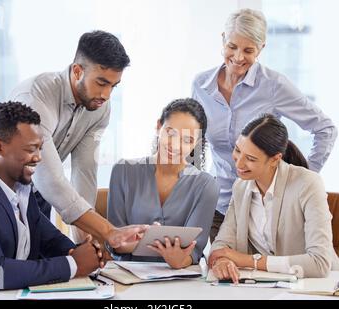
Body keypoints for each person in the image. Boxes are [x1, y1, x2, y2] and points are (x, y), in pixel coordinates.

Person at [0, 30, 146, 246]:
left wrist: (87, 240)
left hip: (37, 194)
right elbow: (49, 177)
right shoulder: (35, 96)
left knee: (45, 265)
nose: (107, 95)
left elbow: (85, 171)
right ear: (77, 71)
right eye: (101, 83)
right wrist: (108, 231)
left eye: (113, 86)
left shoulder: (100, 108)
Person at [191, 8, 338, 244]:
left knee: (265, 275)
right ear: (222, 40)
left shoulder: (274, 86)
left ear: (261, 49)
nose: (239, 57)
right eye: (232, 46)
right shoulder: (201, 84)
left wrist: (302, 179)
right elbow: (194, 143)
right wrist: (193, 188)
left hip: (264, 207)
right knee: (223, 274)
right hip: (218, 205)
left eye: (248, 50)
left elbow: (325, 128)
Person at [0, 102, 103, 299]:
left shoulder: (22, 187)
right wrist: (73, 264)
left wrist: (80, 252)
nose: (38, 158)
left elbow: (48, 239)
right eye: (30, 149)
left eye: (40, 148)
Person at [208, 114, 339, 282]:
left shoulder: (307, 183)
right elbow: (222, 244)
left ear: (275, 159)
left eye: (250, 158)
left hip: (319, 286)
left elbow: (319, 263)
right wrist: (224, 261)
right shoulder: (241, 187)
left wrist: (247, 260)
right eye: (238, 150)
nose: (239, 164)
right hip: (267, 286)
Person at [107, 98, 219, 269]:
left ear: (196, 144)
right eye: (171, 133)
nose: (175, 145)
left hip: (179, 277)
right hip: (127, 274)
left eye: (187, 140)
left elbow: (193, 251)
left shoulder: (206, 185)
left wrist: (180, 259)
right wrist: (132, 243)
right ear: (159, 127)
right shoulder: (123, 171)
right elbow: (115, 240)